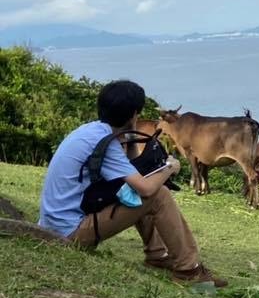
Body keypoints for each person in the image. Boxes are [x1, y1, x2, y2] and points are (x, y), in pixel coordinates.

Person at [38, 79, 226, 287]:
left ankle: (157, 255)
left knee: (136, 191)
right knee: (158, 195)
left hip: (53, 226)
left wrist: (128, 136)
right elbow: (146, 187)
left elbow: (131, 171)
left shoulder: (92, 131)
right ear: (134, 114)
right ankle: (188, 270)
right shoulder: (106, 144)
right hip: (69, 234)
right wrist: (169, 167)